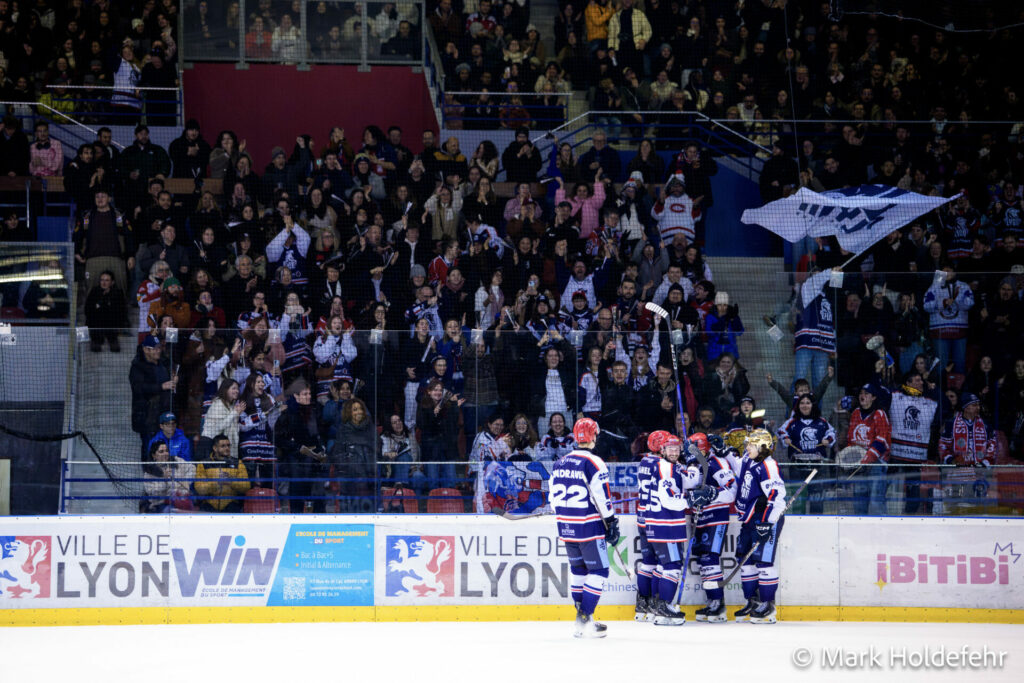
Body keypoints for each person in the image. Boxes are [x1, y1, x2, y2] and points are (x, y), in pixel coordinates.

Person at [550, 417, 619, 638]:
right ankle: (585, 617)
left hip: (566, 526)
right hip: (589, 527)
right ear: (594, 436)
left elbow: (553, 500)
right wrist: (611, 522)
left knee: (579, 571)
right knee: (599, 571)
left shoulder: (560, 462)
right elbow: (603, 498)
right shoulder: (594, 462)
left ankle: (581, 621)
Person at [644, 433, 705, 625]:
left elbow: (690, 481)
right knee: (671, 567)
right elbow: (669, 500)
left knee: (663, 567)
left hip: (658, 524)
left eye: (676, 448)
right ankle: (664, 608)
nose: (673, 451)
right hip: (666, 525)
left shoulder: (668, 466)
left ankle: (658, 607)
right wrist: (691, 499)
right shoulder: (667, 468)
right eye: (669, 448)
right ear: (661, 450)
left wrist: (693, 461)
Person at [732, 429, 787, 624]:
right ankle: (753, 602)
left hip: (766, 520)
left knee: (764, 562)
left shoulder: (768, 466)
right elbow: (737, 467)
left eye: (751, 445)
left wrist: (767, 523)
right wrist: (725, 452)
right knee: (744, 558)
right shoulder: (749, 458)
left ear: (762, 447)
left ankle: (768, 606)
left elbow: (778, 499)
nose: (747, 448)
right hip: (750, 519)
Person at [692, 432, 740, 622]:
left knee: (710, 559)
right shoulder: (697, 464)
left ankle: (718, 604)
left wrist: (712, 494)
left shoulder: (716, 462)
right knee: (704, 561)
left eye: (694, 448)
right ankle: (712, 601)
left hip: (717, 517)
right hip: (702, 518)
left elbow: (732, 491)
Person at [889, 374, 939, 514]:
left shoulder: (928, 401)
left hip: (915, 457)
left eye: (922, 380)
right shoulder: (895, 397)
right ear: (908, 383)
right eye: (917, 380)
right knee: (890, 487)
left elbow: (946, 404)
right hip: (895, 456)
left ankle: (909, 516)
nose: (921, 382)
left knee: (914, 492)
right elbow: (880, 394)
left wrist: (933, 390)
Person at [938, 393, 995, 513]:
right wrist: (950, 460)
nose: (978, 407)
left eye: (978, 405)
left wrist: (985, 462)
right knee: (956, 506)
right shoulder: (951, 424)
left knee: (976, 507)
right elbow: (943, 444)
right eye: (974, 405)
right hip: (957, 473)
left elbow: (992, 444)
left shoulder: (986, 425)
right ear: (966, 407)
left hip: (978, 472)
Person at [634, 429, 669, 623]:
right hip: (657, 519)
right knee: (663, 564)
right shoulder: (662, 464)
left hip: (642, 517)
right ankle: (656, 602)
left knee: (648, 562)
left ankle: (642, 603)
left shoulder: (644, 461)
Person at [777, 395, 834, 514]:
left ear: (813, 405)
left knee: (817, 500)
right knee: (798, 501)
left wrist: (828, 440)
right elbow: (781, 431)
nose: (805, 405)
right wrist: (785, 438)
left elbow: (832, 432)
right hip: (797, 467)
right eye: (802, 403)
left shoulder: (822, 421)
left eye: (808, 403)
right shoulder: (792, 421)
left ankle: (817, 524)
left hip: (817, 468)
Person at [846, 383, 891, 515]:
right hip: (859, 465)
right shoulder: (855, 413)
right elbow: (851, 439)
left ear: (874, 397)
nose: (862, 396)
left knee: (876, 502)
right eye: (861, 393)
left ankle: (881, 532)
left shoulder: (879, 414)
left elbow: (881, 441)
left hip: (876, 465)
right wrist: (851, 458)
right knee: (859, 503)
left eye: (866, 394)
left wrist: (866, 459)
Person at [129, 335, 174, 457]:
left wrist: (174, 379)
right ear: (146, 349)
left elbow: (171, 373)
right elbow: (139, 388)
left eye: (159, 348)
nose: (158, 351)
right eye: (155, 348)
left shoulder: (163, 362)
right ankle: (148, 471)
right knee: (149, 445)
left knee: (164, 447)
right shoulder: (137, 366)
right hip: (146, 415)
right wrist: (161, 387)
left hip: (163, 413)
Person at [194, 434, 251, 512]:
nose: (227, 448)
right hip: (209, 506)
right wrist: (216, 483)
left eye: (228, 445)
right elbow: (199, 488)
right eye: (223, 446)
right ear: (215, 448)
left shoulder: (238, 463)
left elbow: (246, 486)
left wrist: (231, 482)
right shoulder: (203, 464)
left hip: (231, 506)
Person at [142, 440, 195, 513]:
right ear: (154, 455)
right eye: (161, 452)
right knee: (172, 512)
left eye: (167, 451)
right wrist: (163, 478)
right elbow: (155, 493)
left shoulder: (176, 461)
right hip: (160, 504)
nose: (165, 454)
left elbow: (192, 468)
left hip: (182, 499)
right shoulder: (149, 473)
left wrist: (186, 481)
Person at [201, 379, 244, 463]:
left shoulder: (232, 406)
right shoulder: (218, 404)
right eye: (234, 388)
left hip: (224, 449)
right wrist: (234, 413)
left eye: (237, 389)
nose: (237, 391)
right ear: (225, 390)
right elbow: (219, 427)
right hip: (210, 446)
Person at [84, 270, 126, 352]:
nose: (104, 283)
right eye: (102, 280)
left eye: (107, 280)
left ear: (112, 282)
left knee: (115, 349)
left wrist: (102, 304)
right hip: (96, 322)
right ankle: (96, 340)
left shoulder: (118, 293)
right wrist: (103, 300)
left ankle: (113, 340)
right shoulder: (94, 291)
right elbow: (88, 309)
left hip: (111, 322)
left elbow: (121, 311)